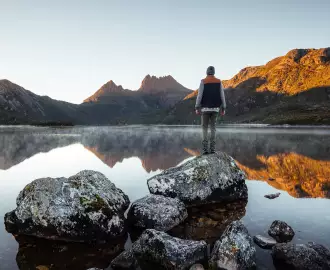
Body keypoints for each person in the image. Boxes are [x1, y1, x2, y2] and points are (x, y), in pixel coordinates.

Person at [195, 66, 226, 155]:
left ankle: (205, 150)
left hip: (205, 109)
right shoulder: (219, 82)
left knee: (204, 128)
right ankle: (212, 149)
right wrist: (223, 107)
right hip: (215, 109)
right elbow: (222, 95)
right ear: (214, 72)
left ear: (207, 72)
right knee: (213, 129)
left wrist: (197, 107)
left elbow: (199, 95)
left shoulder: (203, 81)